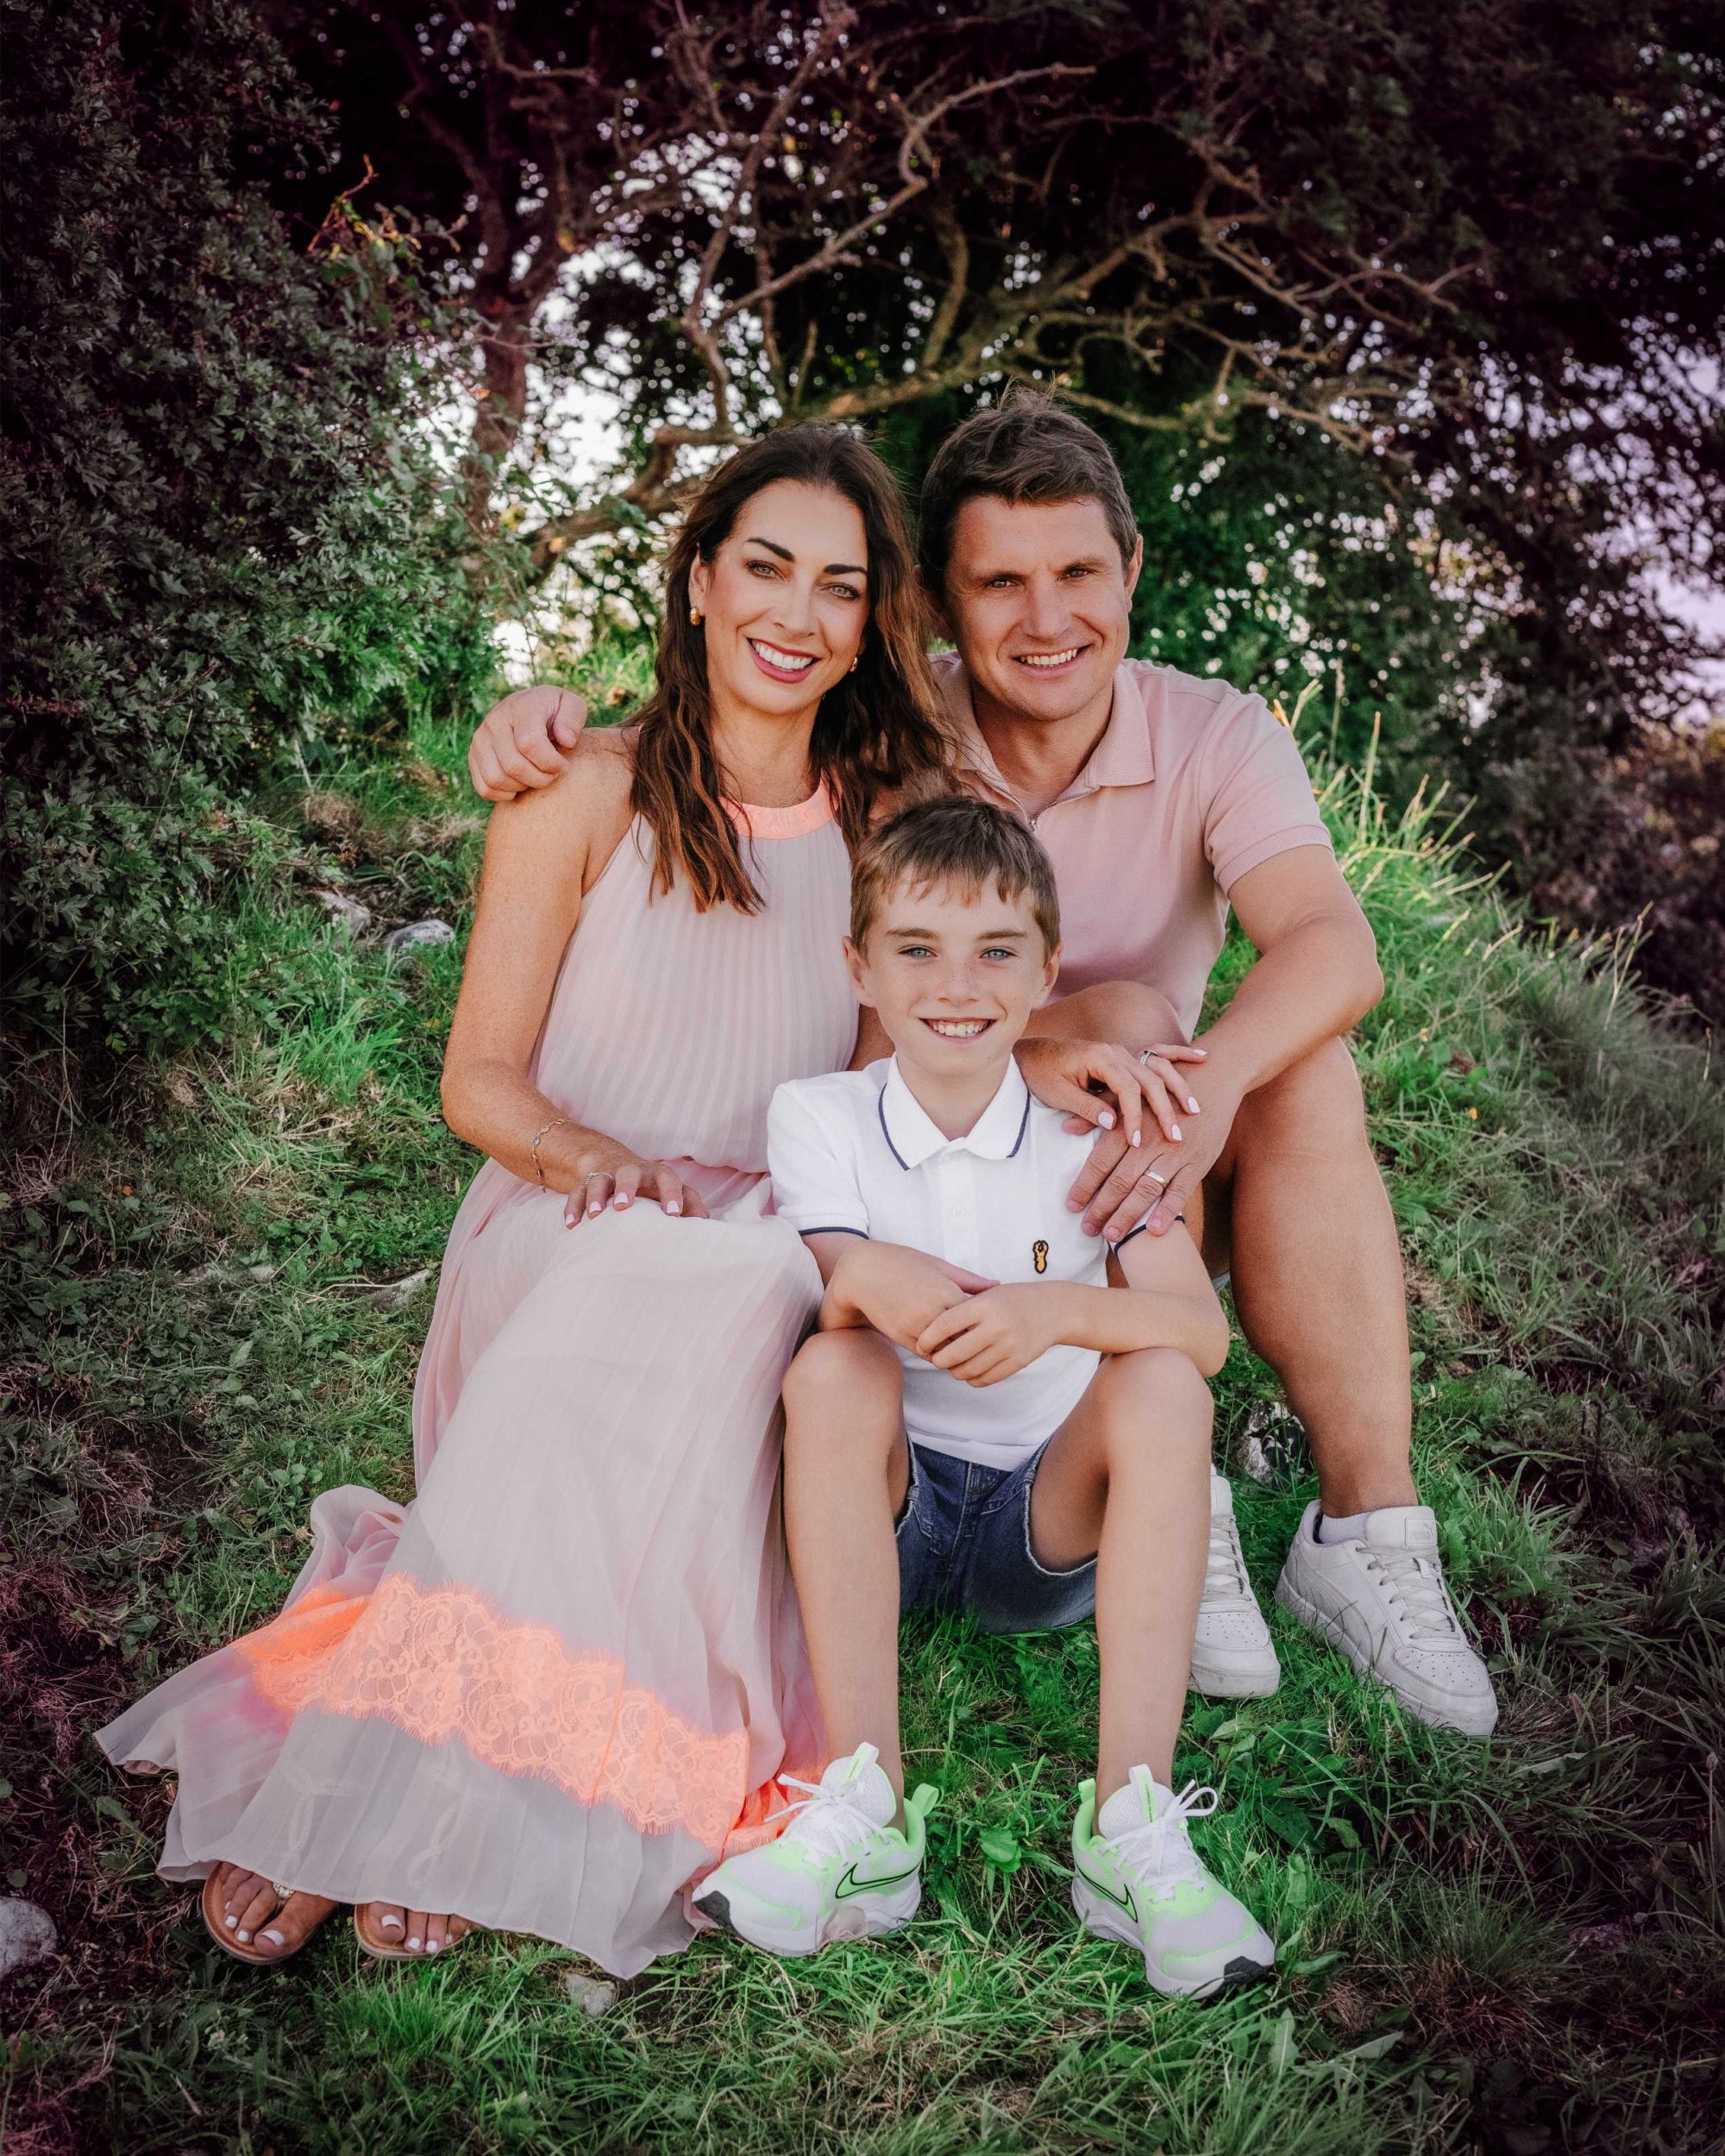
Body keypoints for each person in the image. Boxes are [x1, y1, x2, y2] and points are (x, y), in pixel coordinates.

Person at [98, 425, 1026, 1974]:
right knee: (628, 1268)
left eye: (843, 589)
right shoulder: (579, 785)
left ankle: (420, 1787)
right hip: (565, 1210)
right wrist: (592, 1163)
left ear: (876, 627)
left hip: (765, 1244)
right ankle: (375, 1788)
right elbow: (482, 1081)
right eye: (767, 567)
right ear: (699, 578)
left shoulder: (885, 830)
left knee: (725, 1285)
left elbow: (884, 1094)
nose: (797, 614)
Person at [470, 392, 1500, 1739]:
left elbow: (1334, 949)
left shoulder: (1216, 731)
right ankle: (1153, 1489)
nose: (1047, 617)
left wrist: (1211, 1091)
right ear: (942, 609)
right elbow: (737, 714)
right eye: (999, 583)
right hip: (936, 1145)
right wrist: (543, 711)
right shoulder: (895, 734)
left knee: (1296, 1063)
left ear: (1130, 571)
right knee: (1127, 1021)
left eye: (1078, 572)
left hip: (1138, 1163)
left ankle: (1363, 1531)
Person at [693, 796, 1276, 1998]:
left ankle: (1130, 1828)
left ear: (1048, 968)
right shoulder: (820, 1117)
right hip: (885, 1521)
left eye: (997, 952)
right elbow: (816, 1288)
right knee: (833, 1362)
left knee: (1163, 1389)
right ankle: (867, 1807)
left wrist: (1050, 1310)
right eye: (915, 949)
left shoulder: (1089, 1130)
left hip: (1040, 1529)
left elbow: (1196, 1330)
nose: (956, 984)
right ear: (858, 968)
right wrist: (865, 1276)